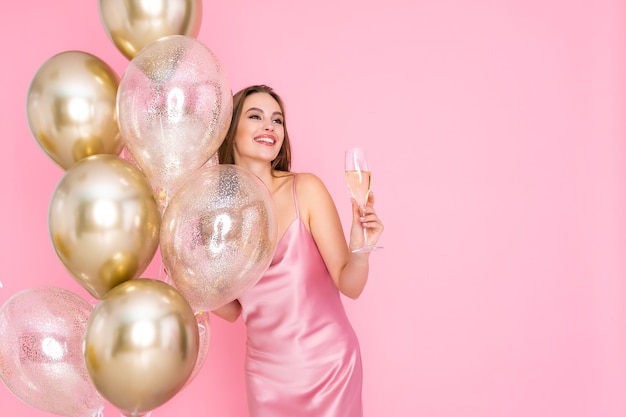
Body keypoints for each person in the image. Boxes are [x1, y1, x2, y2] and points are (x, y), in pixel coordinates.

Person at [212, 85, 384, 417]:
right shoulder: (218, 214)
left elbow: (350, 285)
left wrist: (361, 247)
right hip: (265, 377)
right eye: (256, 116)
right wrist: (190, 285)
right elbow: (232, 309)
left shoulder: (304, 189)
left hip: (329, 368)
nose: (269, 127)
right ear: (231, 132)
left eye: (277, 120)